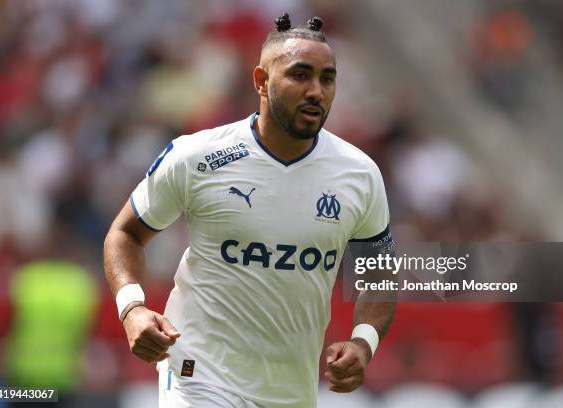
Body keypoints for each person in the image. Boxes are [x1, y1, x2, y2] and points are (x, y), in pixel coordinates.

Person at [104, 12, 396, 407]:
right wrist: (133, 309)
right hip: (198, 374)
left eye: (327, 79)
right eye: (300, 75)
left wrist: (365, 341)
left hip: (289, 390)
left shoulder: (358, 174)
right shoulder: (198, 156)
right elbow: (126, 234)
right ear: (261, 80)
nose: (316, 91)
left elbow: (379, 271)